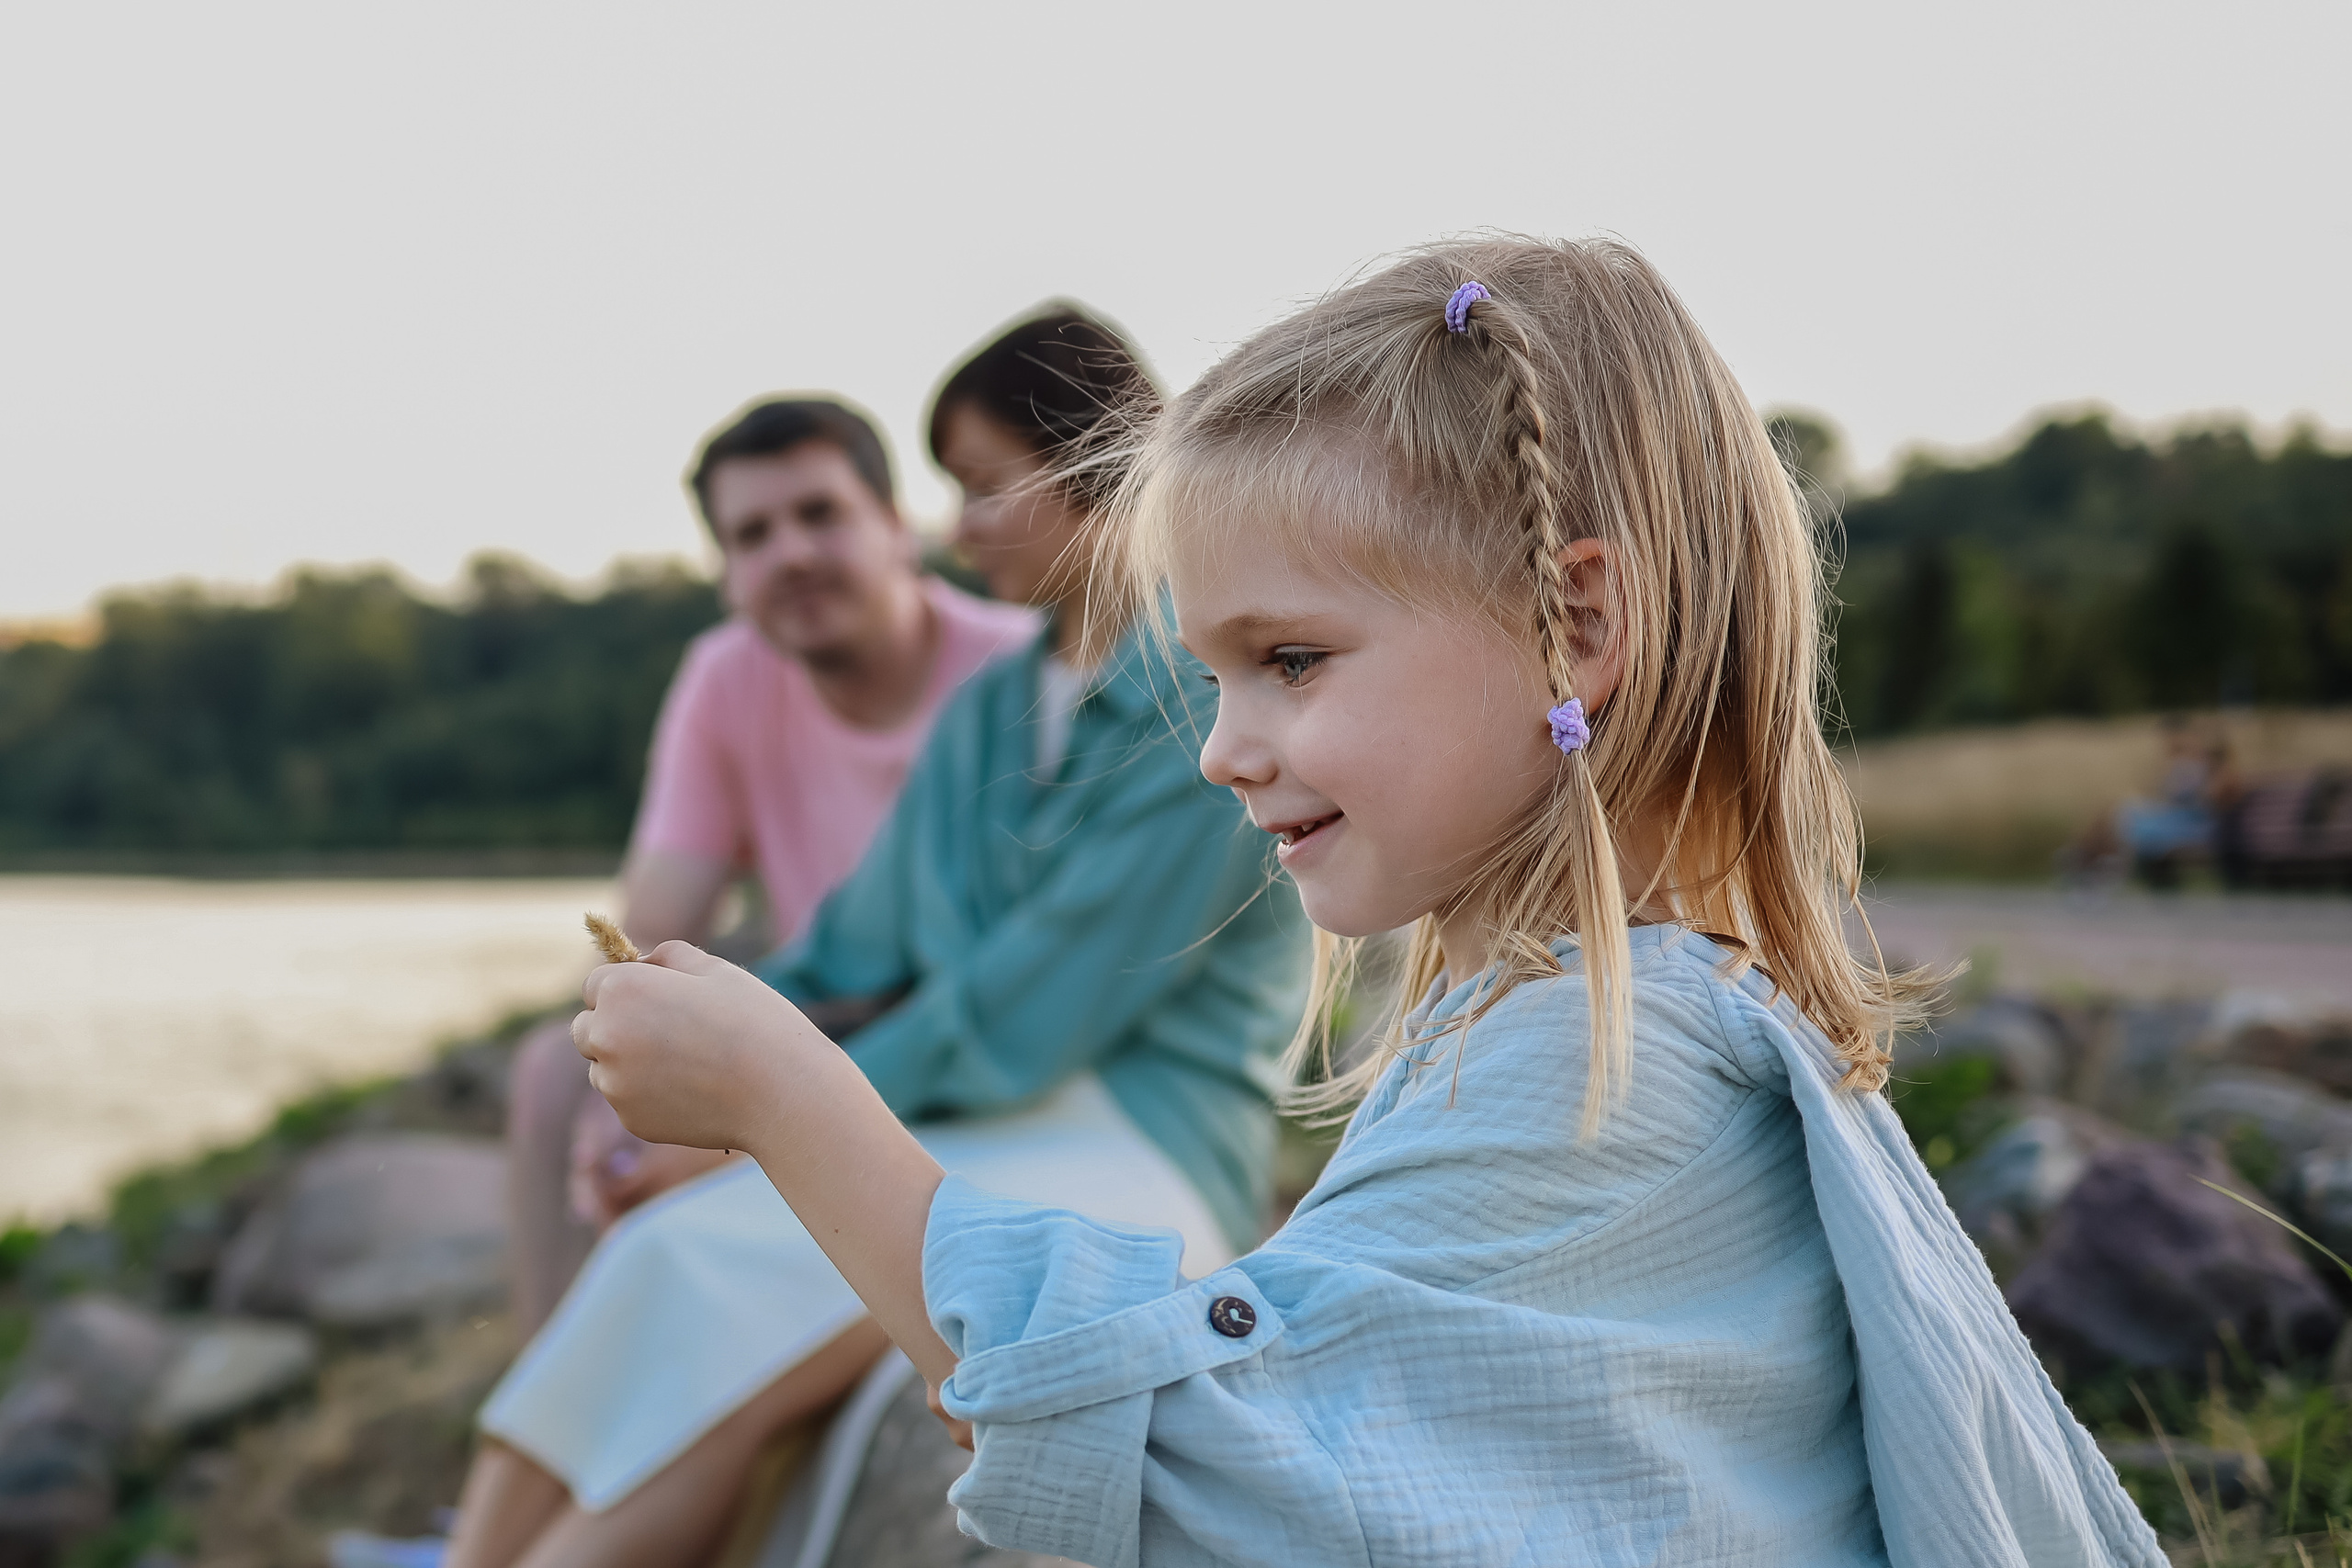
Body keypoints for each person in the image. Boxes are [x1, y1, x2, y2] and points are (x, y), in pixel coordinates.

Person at [573, 240, 2167, 1565]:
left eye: (1289, 661)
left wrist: (789, 1097)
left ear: (1574, 619)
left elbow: (1201, 1470)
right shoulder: (1597, 1012)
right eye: (1207, 676)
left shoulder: (1601, 1064)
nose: (1219, 750)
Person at [447, 308, 1308, 1568]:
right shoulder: (992, 706)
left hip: (1139, 1141)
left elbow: (1019, 1020)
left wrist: (758, 1102)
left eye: (980, 487)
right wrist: (684, 1051)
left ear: (1098, 465)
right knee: (661, 1258)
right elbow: (850, 946)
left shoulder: (1203, 689)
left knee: (723, 1277)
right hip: (971, 1125)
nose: (955, 528)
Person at [502, 396, 1038, 1330]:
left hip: (974, 1017)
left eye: (819, 514)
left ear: (897, 529)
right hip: (815, 1004)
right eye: (751, 534)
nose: (789, 553)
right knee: (555, 1069)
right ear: (726, 575)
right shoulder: (725, 678)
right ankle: (547, 1371)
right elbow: (654, 920)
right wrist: (616, 1075)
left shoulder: (1014, 670)